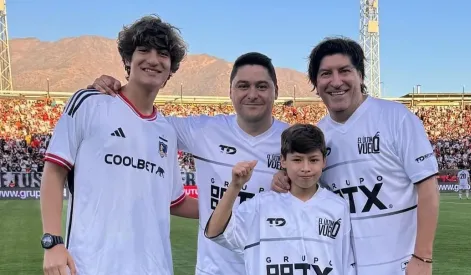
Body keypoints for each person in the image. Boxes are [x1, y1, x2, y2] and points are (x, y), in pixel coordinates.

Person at [88, 52, 290, 275]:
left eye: (262, 86)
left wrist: (291, 179)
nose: (252, 94)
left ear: (276, 91)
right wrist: (115, 94)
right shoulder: (203, 130)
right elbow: (144, 122)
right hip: (213, 271)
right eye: (243, 86)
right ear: (230, 91)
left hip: (272, 268)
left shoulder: (293, 140)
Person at [40, 15, 198, 275]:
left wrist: (234, 205)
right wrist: (52, 242)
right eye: (143, 50)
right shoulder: (90, 103)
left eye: (163, 54)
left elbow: (175, 202)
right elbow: (54, 172)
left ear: (172, 68)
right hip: (89, 265)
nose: (153, 59)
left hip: (155, 268)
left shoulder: (166, 131)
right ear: (127, 59)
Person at [272, 37, 440, 275]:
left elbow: (427, 186)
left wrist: (423, 258)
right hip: (342, 267)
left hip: (399, 266)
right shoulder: (319, 136)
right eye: (326, 74)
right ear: (316, 83)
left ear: (360, 76)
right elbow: (310, 193)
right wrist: (284, 177)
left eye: (345, 71)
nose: (336, 81)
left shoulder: (396, 118)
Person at [204, 124, 356, 275]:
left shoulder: (338, 207)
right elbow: (215, 232)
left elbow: (345, 265)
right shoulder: (261, 205)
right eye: (297, 160)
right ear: (283, 161)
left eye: (313, 160)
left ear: (324, 161)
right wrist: (235, 186)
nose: (305, 168)